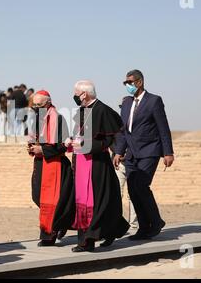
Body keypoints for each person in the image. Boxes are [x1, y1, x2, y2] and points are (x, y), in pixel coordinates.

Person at [67, 80, 130, 252]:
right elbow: (80, 134)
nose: (73, 96)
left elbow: (110, 138)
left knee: (96, 202)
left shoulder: (103, 110)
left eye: (75, 93)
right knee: (87, 201)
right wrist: (73, 142)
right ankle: (113, 230)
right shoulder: (83, 110)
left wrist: (113, 152)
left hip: (96, 164)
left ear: (84, 94)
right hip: (81, 162)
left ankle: (87, 241)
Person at [114, 69, 174, 240]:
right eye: (125, 83)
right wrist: (119, 151)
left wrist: (168, 152)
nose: (127, 86)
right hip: (131, 154)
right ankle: (144, 227)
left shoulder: (154, 101)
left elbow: (163, 128)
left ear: (139, 82)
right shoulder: (126, 103)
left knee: (140, 185)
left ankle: (155, 222)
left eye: (130, 83)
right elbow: (124, 131)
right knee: (133, 190)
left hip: (150, 151)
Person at [27, 90, 75, 246]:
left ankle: (49, 235)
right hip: (40, 164)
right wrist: (32, 148)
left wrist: (43, 150)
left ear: (48, 103)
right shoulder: (36, 119)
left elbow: (64, 146)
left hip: (56, 165)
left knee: (53, 201)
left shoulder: (59, 119)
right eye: (34, 105)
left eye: (38, 105)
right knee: (37, 197)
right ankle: (59, 224)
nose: (35, 107)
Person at [114, 97, 138, 229]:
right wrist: (118, 154)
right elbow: (112, 142)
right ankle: (117, 223)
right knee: (117, 192)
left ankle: (134, 223)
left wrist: (127, 155)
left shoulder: (137, 125)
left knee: (134, 193)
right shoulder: (116, 125)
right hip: (118, 164)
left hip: (133, 163)